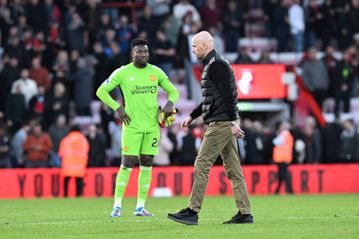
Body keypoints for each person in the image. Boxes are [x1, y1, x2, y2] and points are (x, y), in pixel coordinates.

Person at [167, 31, 253, 225]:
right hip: (222, 121)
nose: (193, 50)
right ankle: (245, 212)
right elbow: (211, 99)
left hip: (220, 123)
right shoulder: (214, 65)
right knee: (234, 169)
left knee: (202, 163)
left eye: (195, 46)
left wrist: (233, 120)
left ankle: (192, 211)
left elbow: (228, 96)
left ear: (206, 45)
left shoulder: (216, 66)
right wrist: (191, 116)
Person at [96, 38, 179, 217]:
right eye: (139, 51)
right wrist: (118, 108)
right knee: (127, 163)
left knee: (147, 164)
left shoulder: (156, 72)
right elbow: (101, 91)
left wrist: (169, 105)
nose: (143, 55)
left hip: (152, 127)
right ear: (132, 53)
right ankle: (117, 205)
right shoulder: (123, 72)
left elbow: (174, 91)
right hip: (131, 126)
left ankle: (140, 207)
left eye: (145, 52)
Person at [59, 125, 89, 197]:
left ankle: (65, 195)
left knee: (66, 180)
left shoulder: (66, 139)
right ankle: (79, 195)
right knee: (79, 180)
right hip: (79, 165)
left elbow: (60, 153)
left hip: (67, 165)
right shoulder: (83, 140)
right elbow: (87, 150)